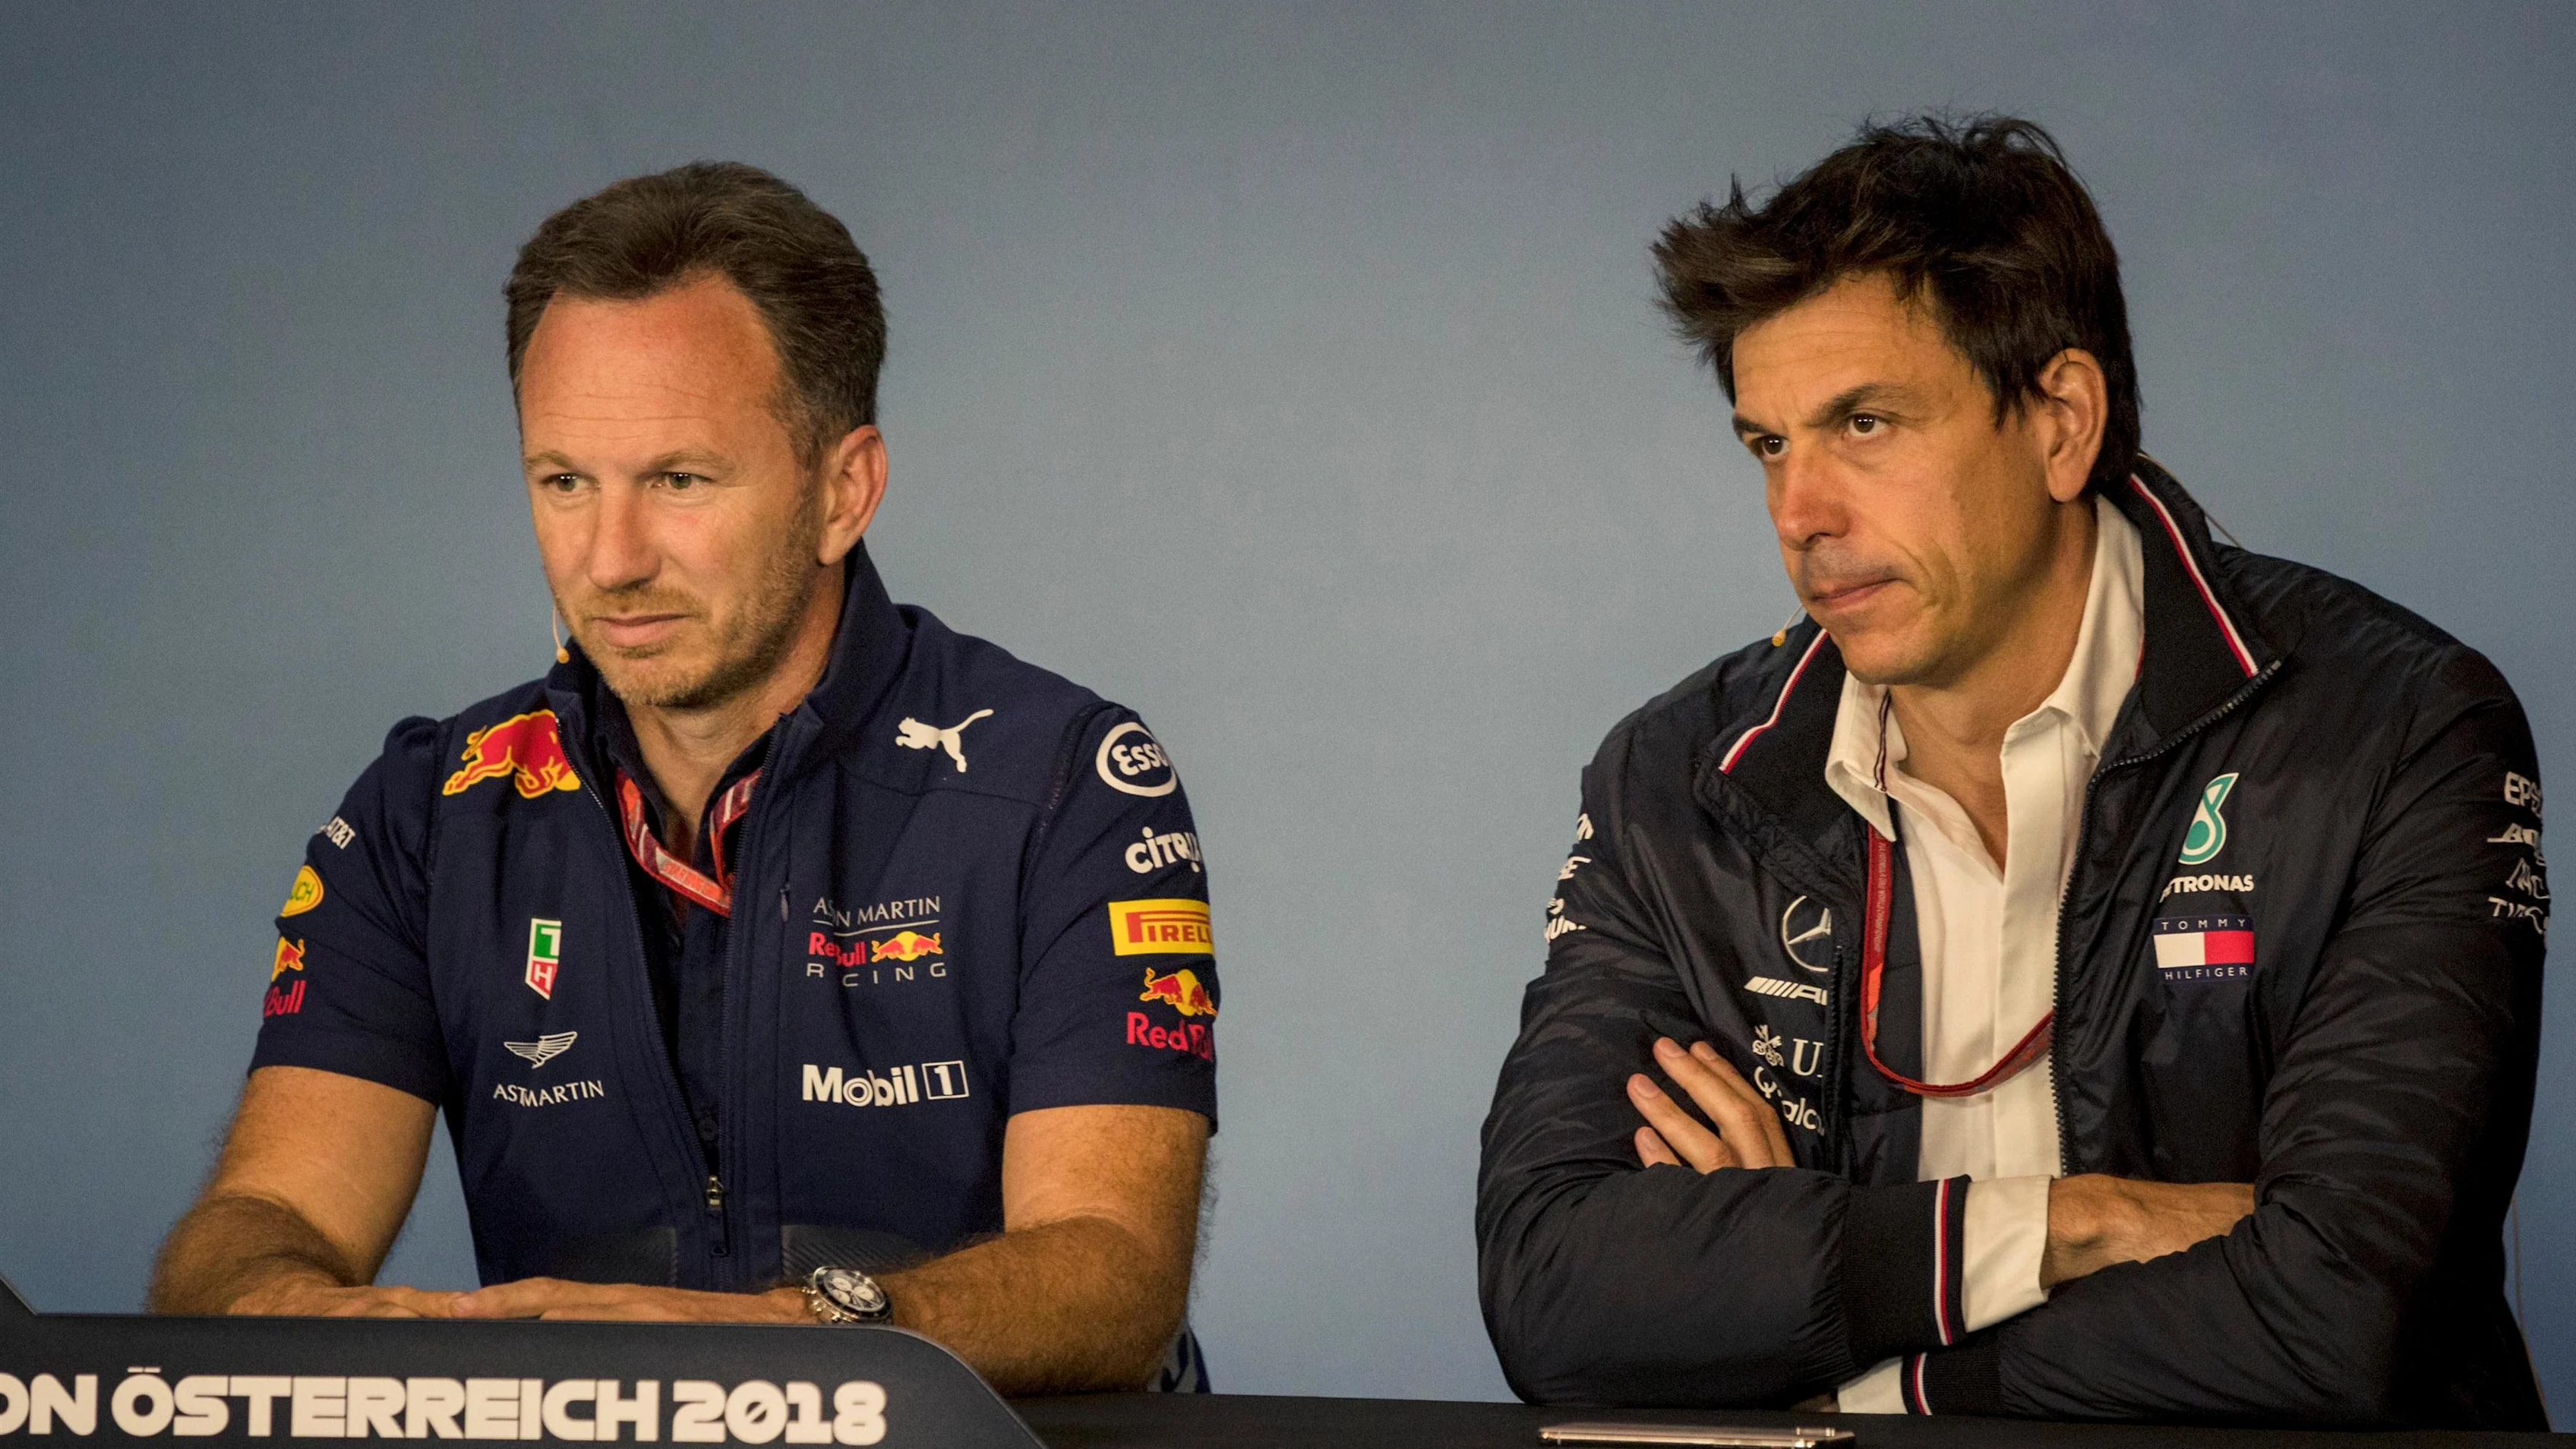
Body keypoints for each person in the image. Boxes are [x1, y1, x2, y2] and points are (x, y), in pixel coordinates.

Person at [1476, 116, 2546, 1428]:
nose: (1799, 513)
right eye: (1768, 444)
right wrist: (2078, 1225)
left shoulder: (2397, 731)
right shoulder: (1676, 780)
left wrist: (1832, 1357)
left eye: (1864, 424)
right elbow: (1556, 1293)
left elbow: (2339, 1310)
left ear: (2061, 424)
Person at [149, 163, 1219, 1396]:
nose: (610, 560)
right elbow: (267, 1210)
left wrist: (779, 1343)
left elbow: (1112, 1273)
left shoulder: (1064, 784)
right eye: (565, 482)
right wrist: (270, 1307)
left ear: (842, 491)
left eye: (679, 481)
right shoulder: (425, 820)